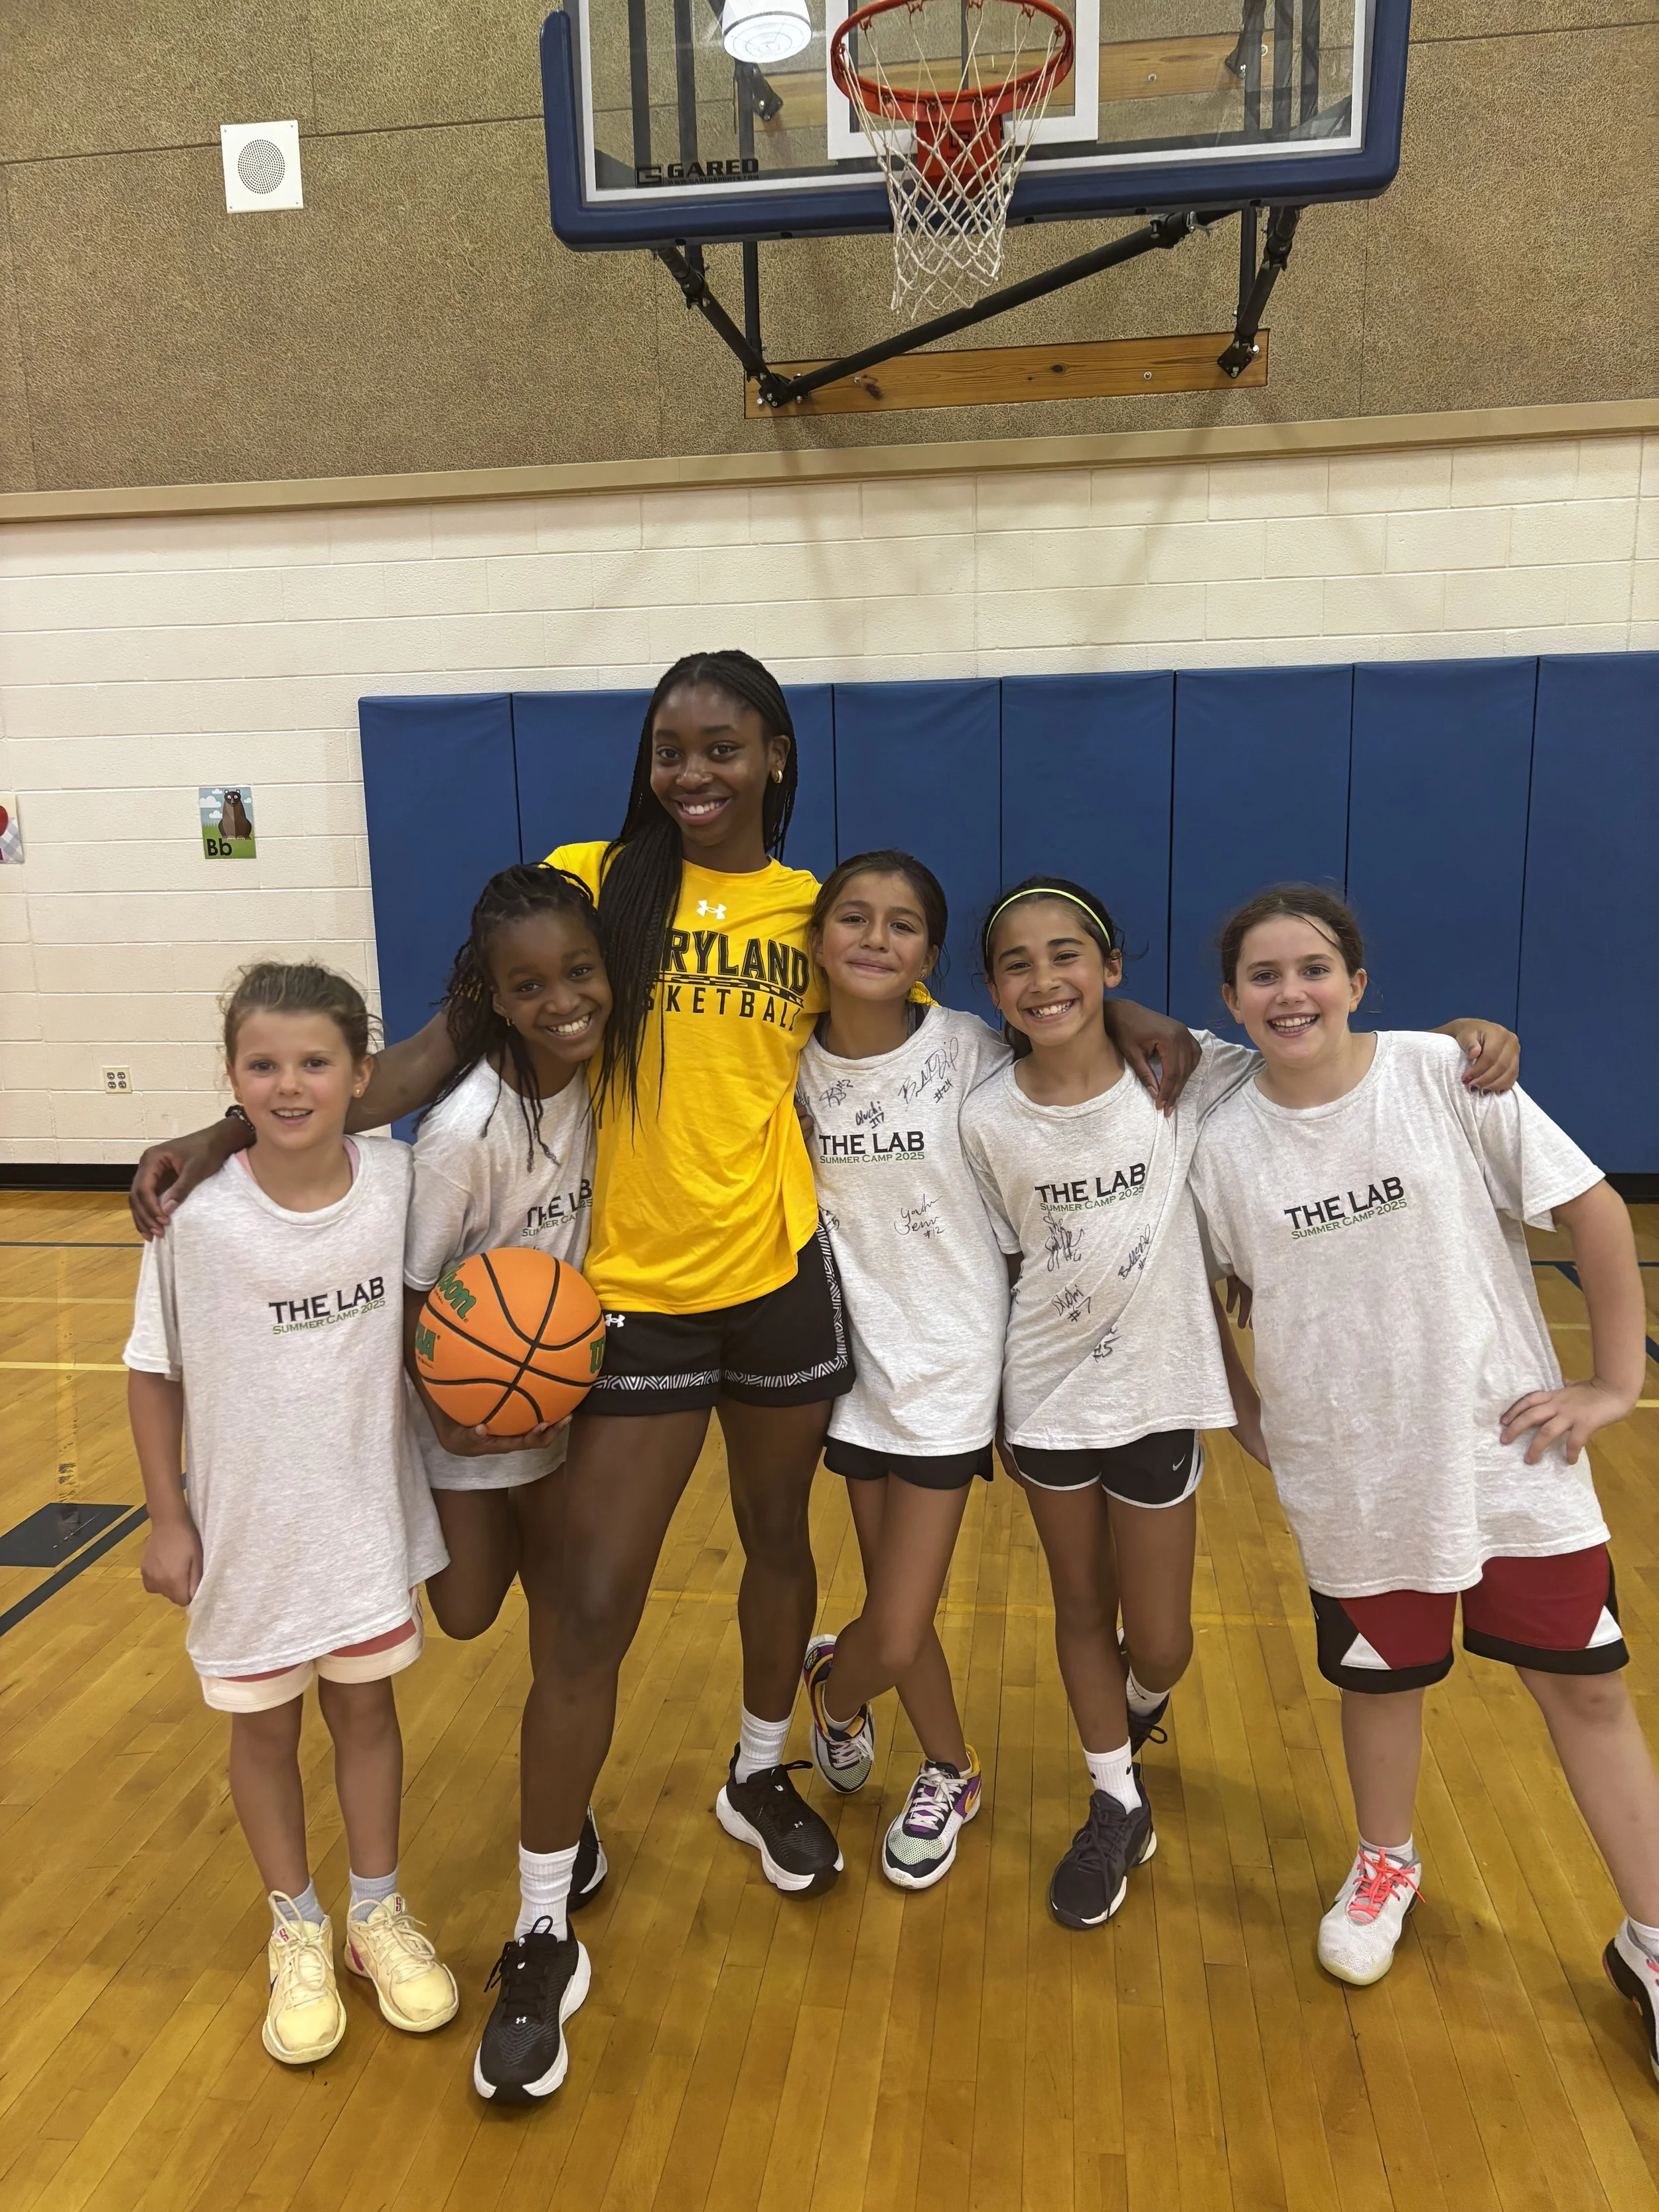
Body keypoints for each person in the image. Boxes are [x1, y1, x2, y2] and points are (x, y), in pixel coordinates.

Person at [961, 877, 1522, 1935]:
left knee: (1160, 1642)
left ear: (1113, 968)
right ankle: (1113, 1797)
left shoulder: (1192, 1078)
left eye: (1070, 955)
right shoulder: (985, 1117)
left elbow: (1322, 1057)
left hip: (1162, 1392)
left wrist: (1463, 1043)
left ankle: (1133, 1717)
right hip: (1042, 1398)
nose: (1046, 979)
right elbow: (997, 1264)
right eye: (1018, 963)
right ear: (991, 988)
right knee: (1079, 1606)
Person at [1187, 885, 1659, 2073]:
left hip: (1511, 1457)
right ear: (1230, 999)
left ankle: (1653, 1936)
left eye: (1312, 969)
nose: (1289, 993)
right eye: (1262, 976)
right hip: (1355, 1472)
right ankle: (1386, 1860)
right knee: (1381, 1681)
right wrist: (1247, 1410)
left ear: (1355, 981)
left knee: (1590, 1694)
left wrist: (1612, 1385)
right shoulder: (1221, 1137)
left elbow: (1595, 1213)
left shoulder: (1443, 1078)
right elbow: (1201, 1290)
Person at [125, 962, 455, 2068]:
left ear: (362, 1075)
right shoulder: (196, 1218)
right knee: (262, 1731)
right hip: (248, 1532)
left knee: (367, 1718)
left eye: (315, 1062)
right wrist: (168, 1519)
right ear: (230, 1080)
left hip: (361, 1518)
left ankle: (375, 1915)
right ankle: (296, 1925)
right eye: (262, 1065)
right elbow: (153, 1373)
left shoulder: (400, 1183)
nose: (289, 1084)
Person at [400, 863, 613, 2095]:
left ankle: (557, 1845)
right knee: (475, 1609)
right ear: (492, 996)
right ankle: (562, 1787)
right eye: (530, 986)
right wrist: (451, 1406)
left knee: (575, 1627)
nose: (563, 999)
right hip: (474, 1409)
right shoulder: (463, 1134)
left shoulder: (616, 1075)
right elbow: (416, 1296)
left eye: (579, 973)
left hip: (574, 1403)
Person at [793, 852, 1011, 1889]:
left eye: (905, 925)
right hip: (849, 1365)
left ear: (930, 952)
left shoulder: (970, 1049)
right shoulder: (785, 1065)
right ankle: (952, 1768)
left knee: (897, 1619)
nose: (878, 939)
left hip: (954, 1364)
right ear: (819, 936)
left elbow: (1085, 1042)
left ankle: (835, 1695)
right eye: (856, 918)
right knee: (895, 1598)